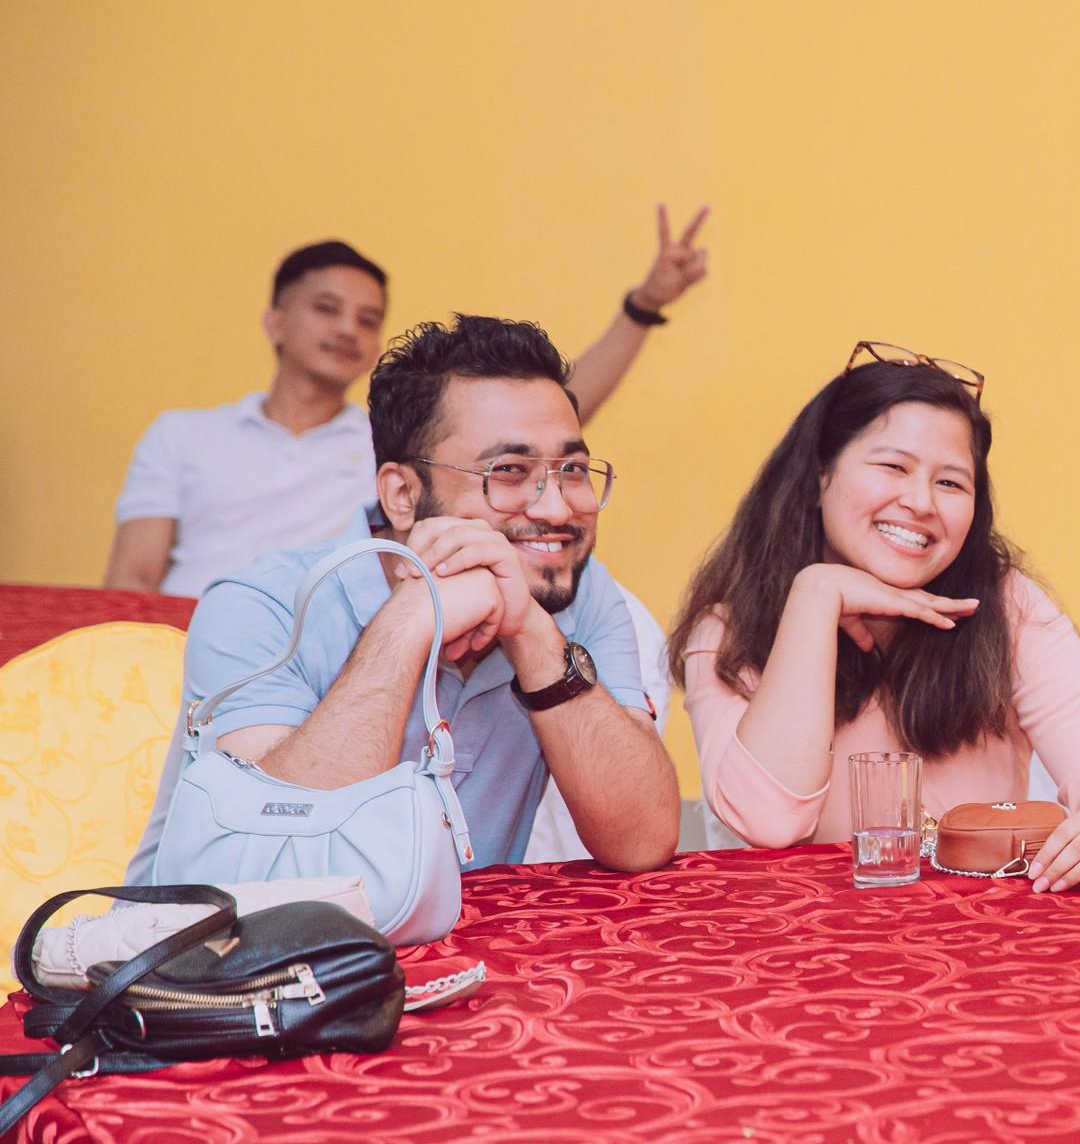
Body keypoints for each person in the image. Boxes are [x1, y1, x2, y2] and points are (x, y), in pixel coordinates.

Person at [129, 314, 680, 877]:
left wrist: (537, 636)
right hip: (235, 955)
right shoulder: (261, 606)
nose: (557, 508)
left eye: (572, 469)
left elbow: (641, 841)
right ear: (401, 495)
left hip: (455, 952)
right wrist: (410, 620)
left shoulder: (574, 592)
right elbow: (278, 863)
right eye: (510, 471)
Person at [671, 344, 1080, 892]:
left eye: (950, 482)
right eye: (893, 466)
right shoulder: (728, 633)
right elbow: (768, 821)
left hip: (988, 935)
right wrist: (815, 597)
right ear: (820, 475)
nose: (921, 501)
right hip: (814, 949)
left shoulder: (1006, 604)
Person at [105, 205, 711, 598]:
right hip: (182, 649)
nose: (348, 329)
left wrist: (643, 307)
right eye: (326, 308)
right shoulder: (182, 434)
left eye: (368, 319)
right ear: (274, 321)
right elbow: (131, 579)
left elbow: (553, 412)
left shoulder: (399, 446)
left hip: (331, 654)